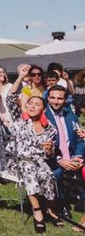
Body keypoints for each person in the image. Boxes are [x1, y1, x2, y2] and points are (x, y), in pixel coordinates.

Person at [6, 96, 61, 233]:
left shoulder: (50, 129)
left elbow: (50, 155)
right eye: (30, 104)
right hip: (20, 161)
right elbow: (10, 100)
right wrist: (20, 77)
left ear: (44, 109)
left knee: (48, 176)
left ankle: (51, 208)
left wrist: (48, 150)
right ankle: (37, 211)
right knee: (30, 172)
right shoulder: (20, 122)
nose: (32, 107)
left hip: (39, 161)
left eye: (37, 104)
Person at [45, 84, 84, 217]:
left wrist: (78, 156)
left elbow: (79, 140)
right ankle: (62, 205)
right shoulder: (42, 115)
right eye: (52, 98)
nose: (55, 101)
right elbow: (41, 146)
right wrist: (59, 160)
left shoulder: (70, 115)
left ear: (65, 99)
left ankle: (82, 201)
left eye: (59, 99)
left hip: (72, 155)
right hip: (50, 158)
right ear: (48, 98)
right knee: (57, 174)